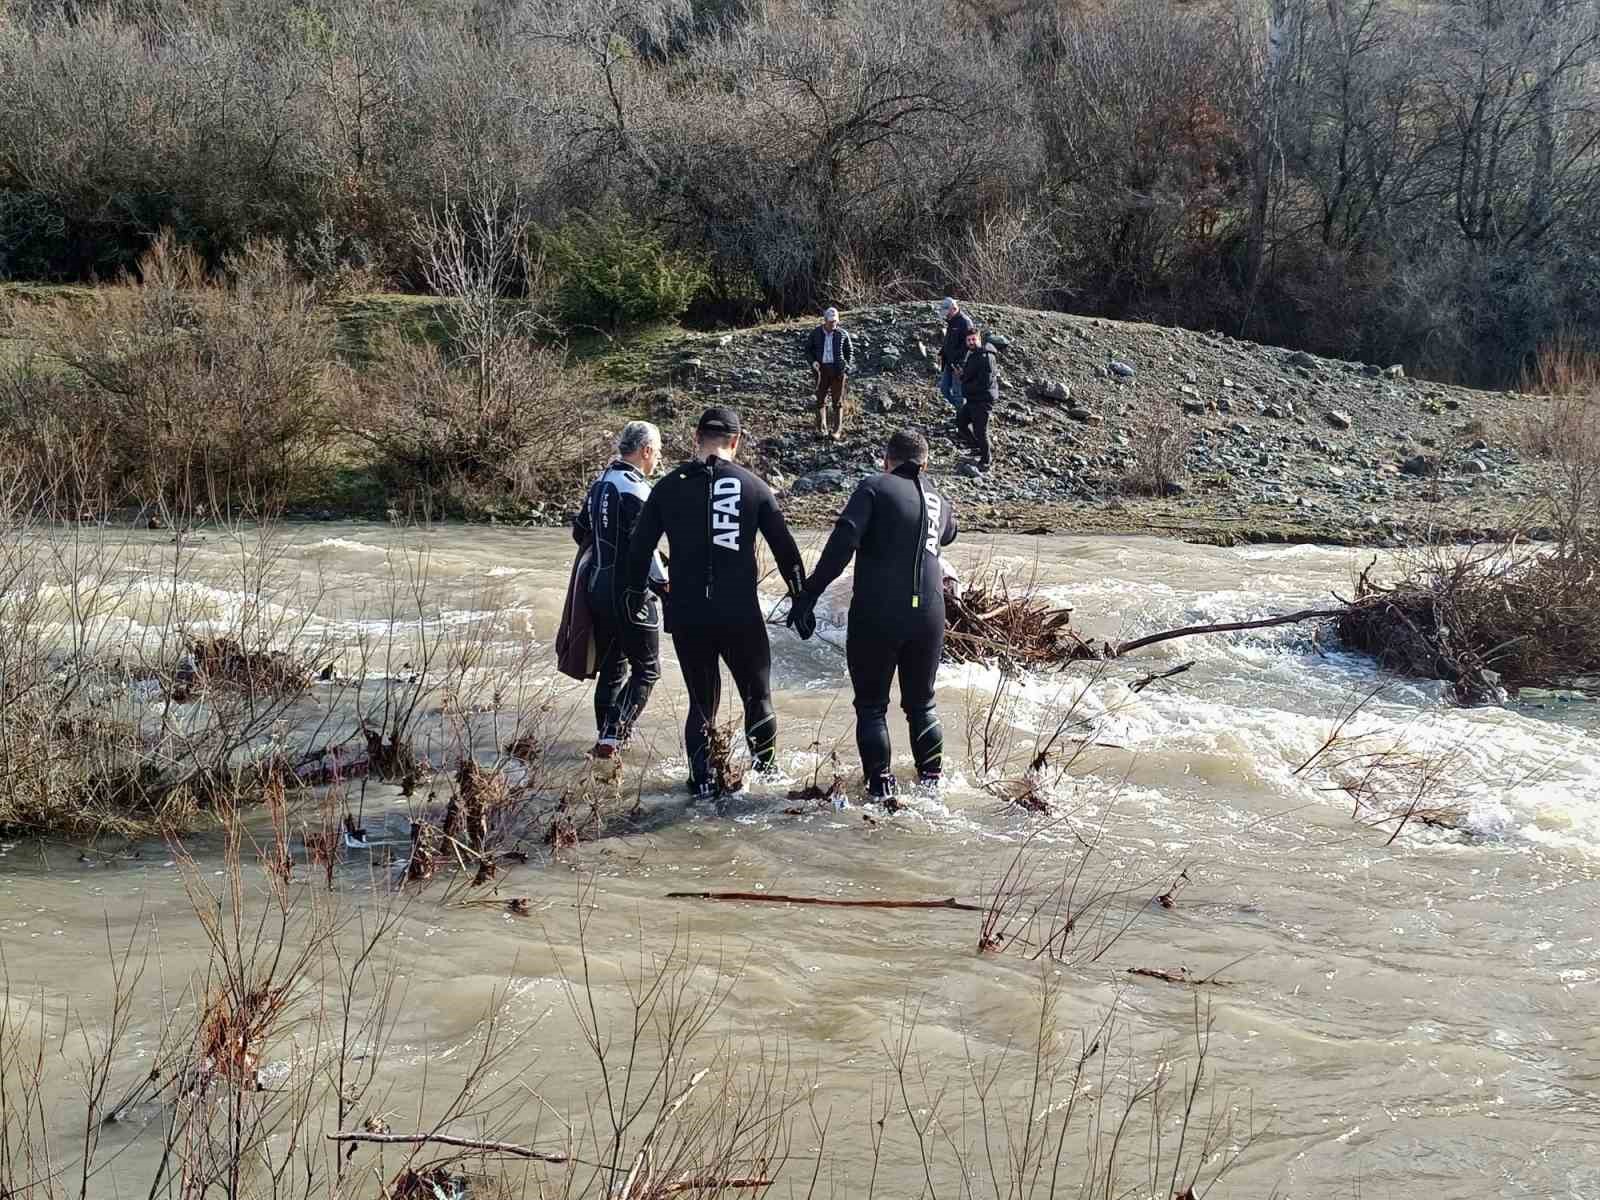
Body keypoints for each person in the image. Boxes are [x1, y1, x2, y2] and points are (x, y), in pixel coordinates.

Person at [626, 406, 807, 799]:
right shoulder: (755, 487)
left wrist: (632, 600)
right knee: (757, 697)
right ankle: (766, 781)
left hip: (688, 614)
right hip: (739, 613)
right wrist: (801, 600)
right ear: (736, 442)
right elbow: (787, 552)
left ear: (696, 438)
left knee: (701, 704)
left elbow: (637, 552)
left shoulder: (667, 487)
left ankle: (702, 786)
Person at [787, 429, 958, 802]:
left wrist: (808, 596)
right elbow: (948, 535)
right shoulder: (939, 500)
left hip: (877, 612)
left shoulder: (874, 487)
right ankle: (932, 787)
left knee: (871, 706)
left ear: (887, 460)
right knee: (922, 704)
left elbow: (843, 544)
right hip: (929, 614)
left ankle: (881, 791)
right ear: (925, 463)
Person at [572, 421, 666, 759]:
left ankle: (606, 742)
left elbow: (579, 530)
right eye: (657, 451)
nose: (658, 458)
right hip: (630, 593)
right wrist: (664, 583)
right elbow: (647, 547)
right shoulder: (636, 489)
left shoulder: (599, 483)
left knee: (613, 669)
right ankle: (613, 736)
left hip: (598, 588)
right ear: (645, 451)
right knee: (648, 669)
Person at [806, 306, 854, 440]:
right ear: (825, 320)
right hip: (821, 371)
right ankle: (821, 429)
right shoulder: (815, 333)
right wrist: (813, 362)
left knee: (838, 401)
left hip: (838, 370)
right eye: (830, 321)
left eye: (835, 321)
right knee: (820, 399)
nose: (833, 324)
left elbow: (849, 351)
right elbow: (808, 350)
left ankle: (836, 431)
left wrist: (846, 366)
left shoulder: (842, 333)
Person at [957, 326, 999, 470]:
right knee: (961, 423)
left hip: (983, 400)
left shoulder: (986, 356)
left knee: (980, 431)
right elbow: (973, 375)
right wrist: (963, 376)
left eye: (974, 339)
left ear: (979, 339)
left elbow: (984, 383)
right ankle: (977, 448)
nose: (971, 342)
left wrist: (966, 387)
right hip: (973, 399)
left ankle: (986, 460)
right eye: (969, 340)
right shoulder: (973, 354)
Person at [936, 297, 975, 409]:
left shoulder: (965, 322)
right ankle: (964, 413)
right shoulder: (951, 321)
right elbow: (948, 341)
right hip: (949, 362)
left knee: (959, 394)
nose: (945, 315)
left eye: (947, 313)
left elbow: (969, 346)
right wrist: (941, 353)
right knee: (944, 389)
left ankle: (963, 419)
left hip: (959, 365)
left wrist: (960, 365)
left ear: (953, 308)